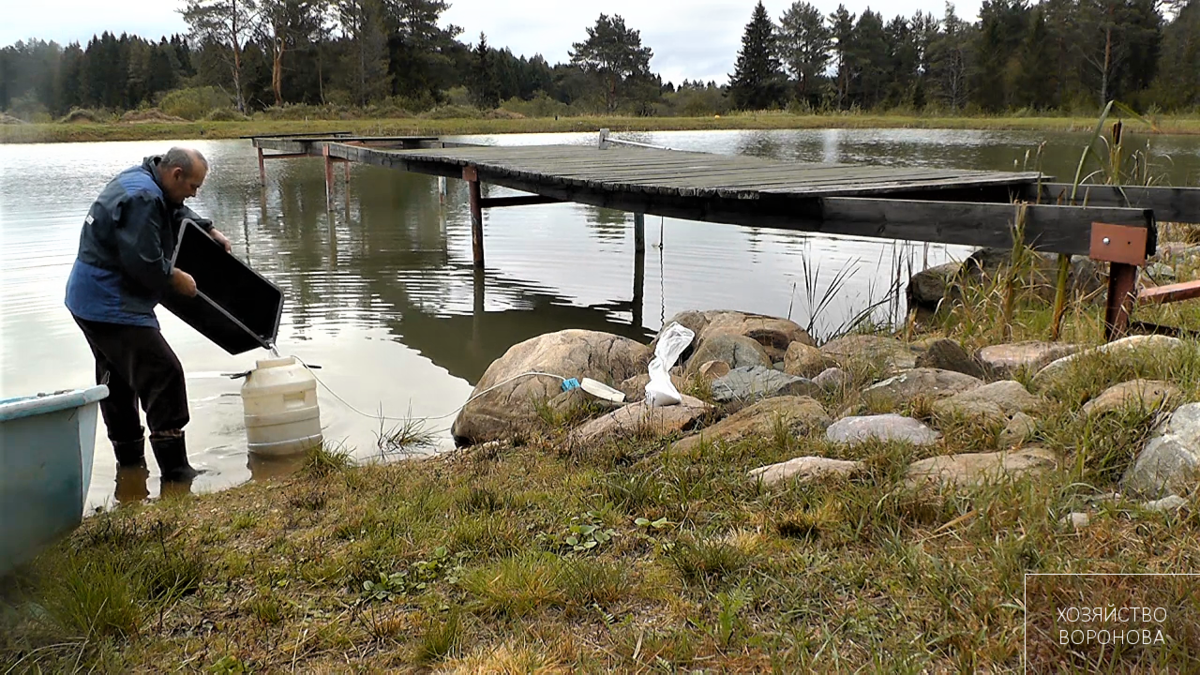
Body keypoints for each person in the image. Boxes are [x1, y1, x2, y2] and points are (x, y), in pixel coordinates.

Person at [65, 148, 231, 483]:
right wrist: (175, 278)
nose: (194, 193)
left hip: (86, 298)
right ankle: (176, 472)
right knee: (163, 373)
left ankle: (129, 471)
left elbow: (175, 209)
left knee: (118, 380)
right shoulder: (144, 198)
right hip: (110, 303)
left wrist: (206, 228)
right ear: (176, 174)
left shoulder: (147, 180)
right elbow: (143, 262)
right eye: (193, 186)